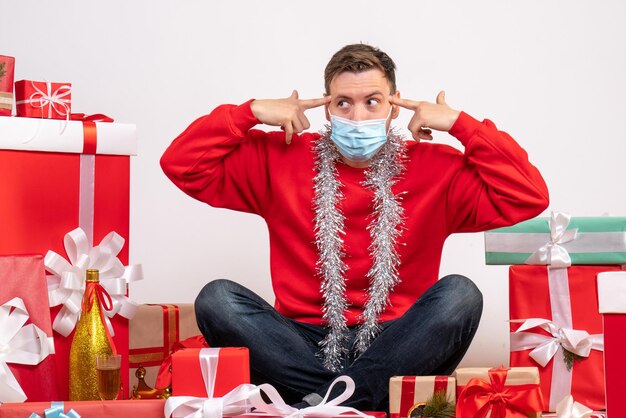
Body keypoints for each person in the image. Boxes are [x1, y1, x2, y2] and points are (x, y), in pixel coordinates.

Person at [160, 43, 549, 411]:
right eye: (343, 103)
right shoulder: (280, 157)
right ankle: (355, 402)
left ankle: (321, 406)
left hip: (397, 341)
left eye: (372, 102)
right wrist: (252, 112)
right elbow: (182, 163)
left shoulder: (437, 167)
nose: (358, 117)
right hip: (298, 343)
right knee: (217, 299)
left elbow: (528, 195)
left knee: (460, 295)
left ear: (394, 108)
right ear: (327, 109)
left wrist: (461, 125)